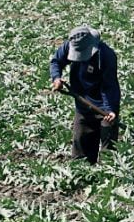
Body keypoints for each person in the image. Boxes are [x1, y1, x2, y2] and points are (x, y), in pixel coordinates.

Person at [49, 26, 120, 163]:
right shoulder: (70, 45)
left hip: (104, 105)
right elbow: (56, 61)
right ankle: (84, 173)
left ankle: (108, 173)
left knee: (108, 148)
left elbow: (109, 86)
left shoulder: (106, 56)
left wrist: (110, 108)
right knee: (81, 149)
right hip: (82, 101)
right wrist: (56, 78)